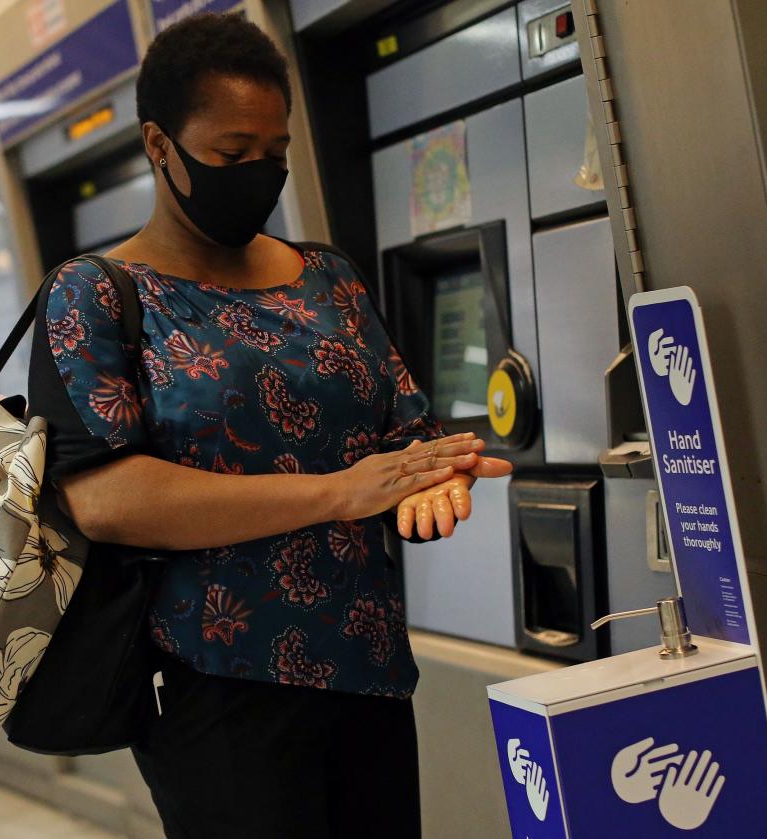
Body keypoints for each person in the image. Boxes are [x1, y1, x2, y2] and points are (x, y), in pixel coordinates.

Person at [26, 12, 512, 838]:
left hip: (369, 671)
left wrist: (432, 480)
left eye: (276, 154)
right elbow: (107, 498)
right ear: (159, 145)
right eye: (232, 153)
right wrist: (338, 493)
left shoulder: (329, 277)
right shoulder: (98, 295)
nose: (260, 172)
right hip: (214, 689)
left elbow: (403, 436)